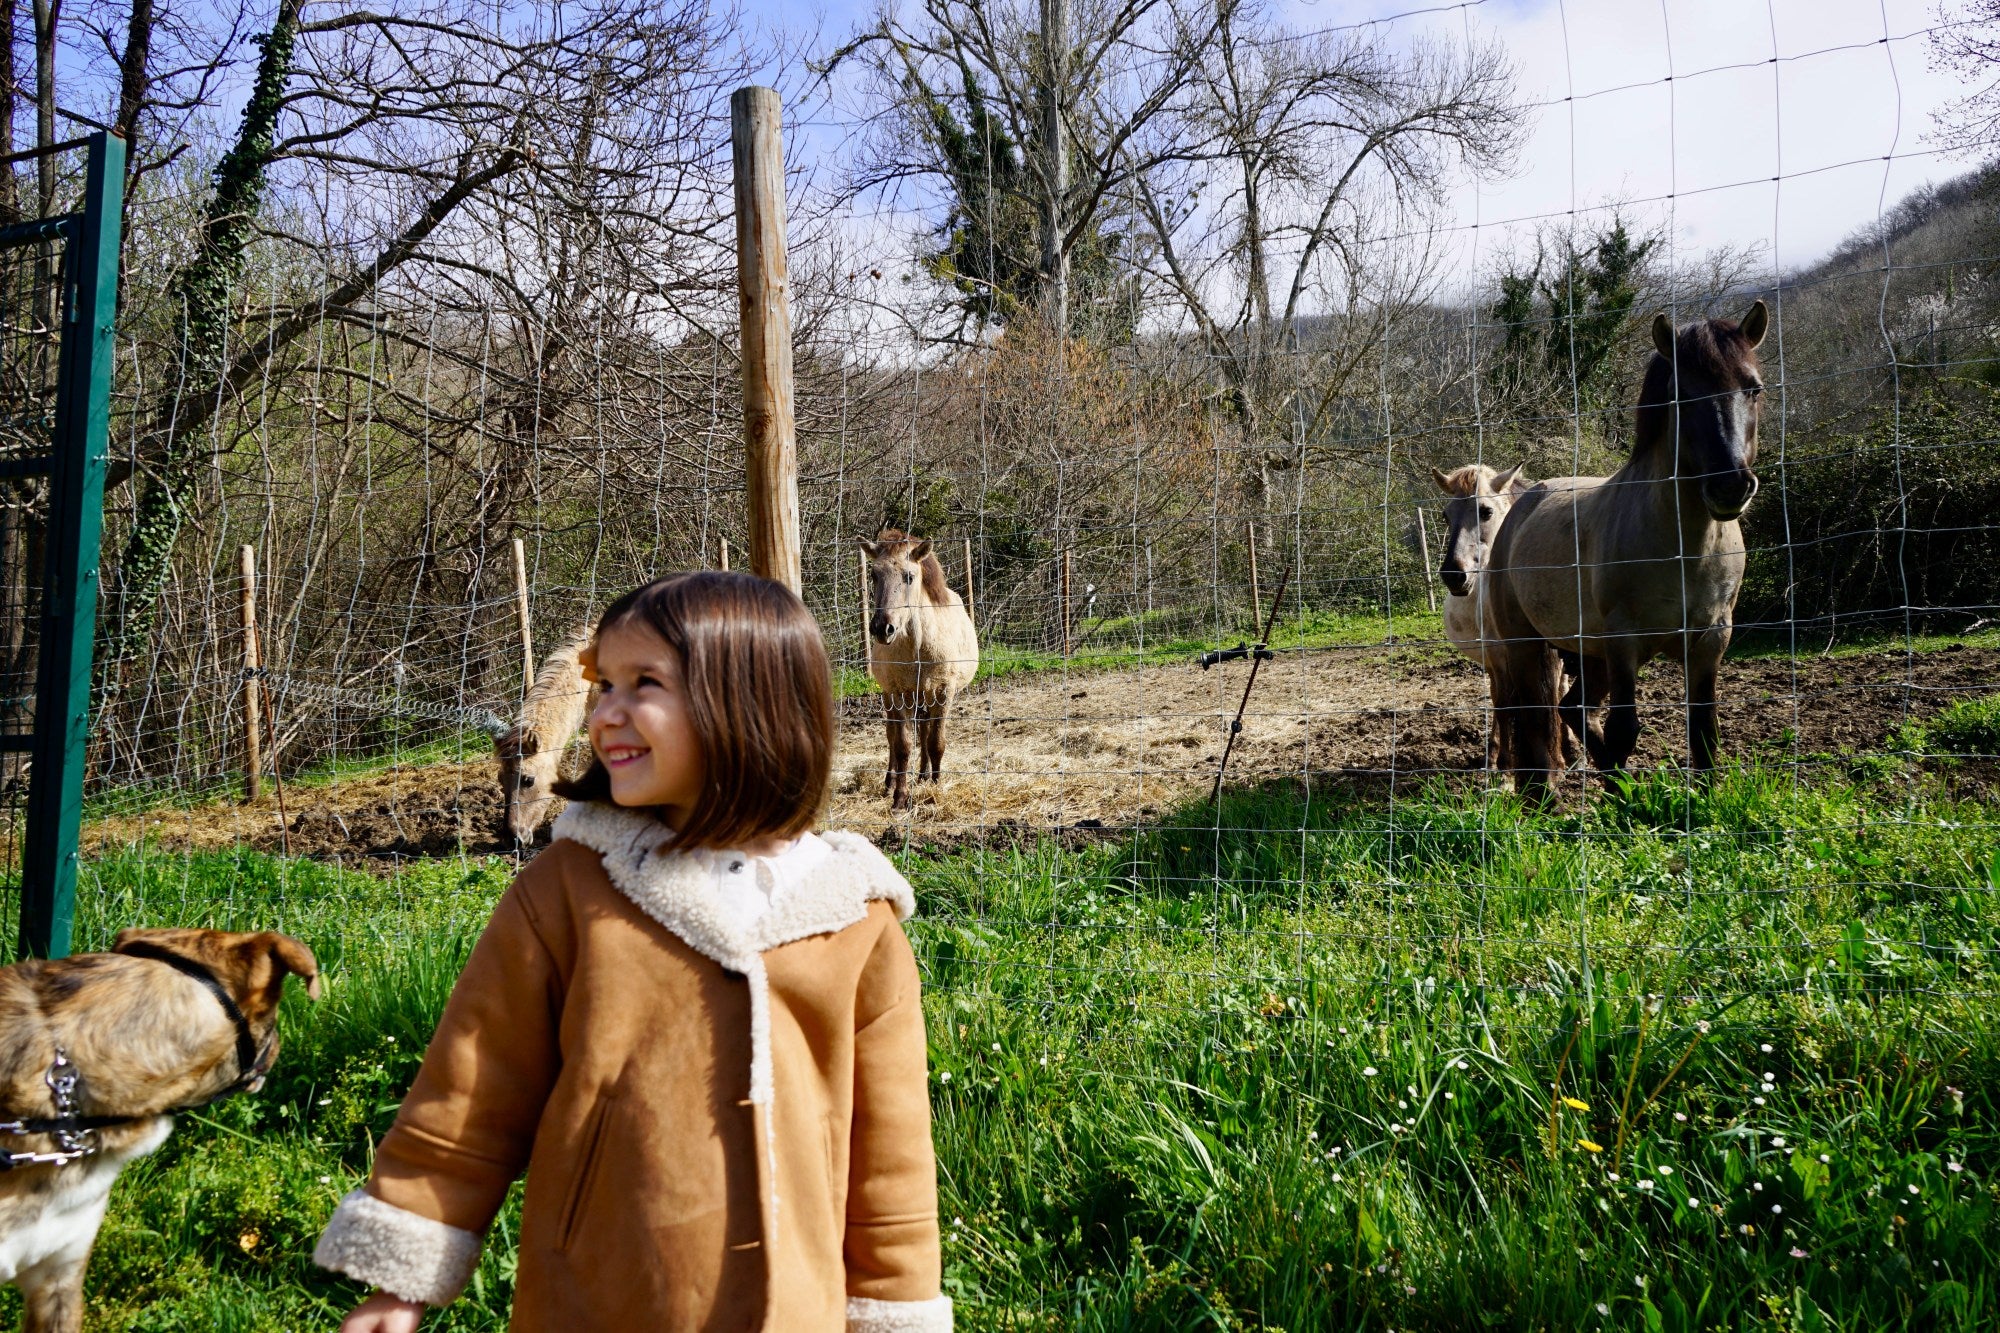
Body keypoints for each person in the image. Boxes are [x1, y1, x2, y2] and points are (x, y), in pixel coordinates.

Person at [316, 572, 951, 1332]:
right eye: (604, 684)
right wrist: (401, 1279)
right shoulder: (571, 890)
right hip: (597, 1300)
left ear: (750, 701)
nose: (603, 715)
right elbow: (471, 1091)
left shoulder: (854, 920)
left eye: (641, 683)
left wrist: (896, 1310)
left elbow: (892, 1169)